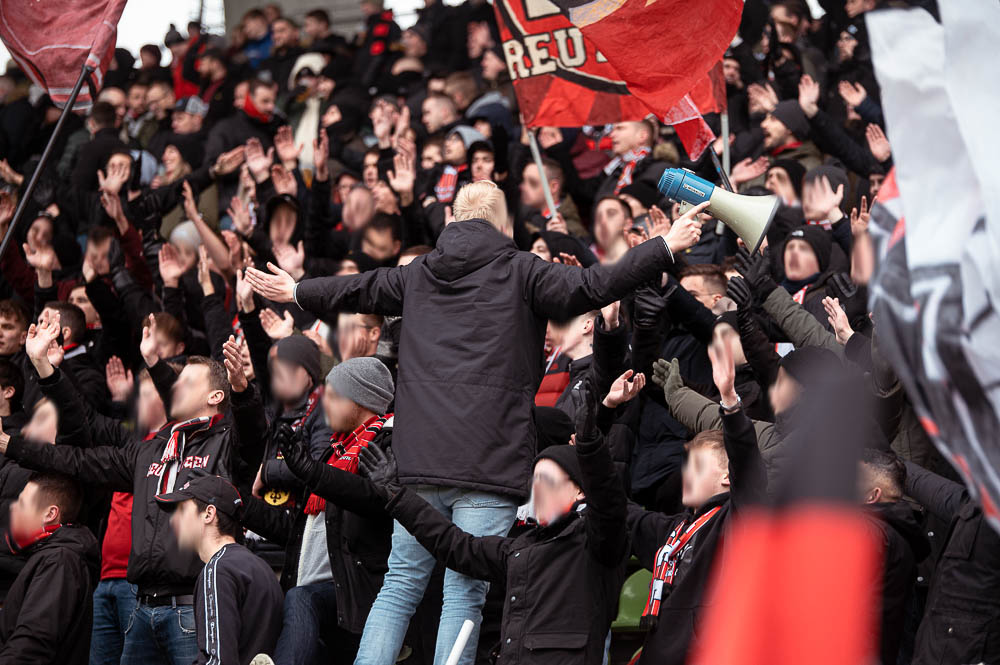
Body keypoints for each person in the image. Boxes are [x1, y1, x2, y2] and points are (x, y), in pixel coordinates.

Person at [246, 181, 707, 664]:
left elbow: (356, 286)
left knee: (400, 583)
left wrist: (297, 290)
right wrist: (665, 246)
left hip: (418, 463)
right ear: (502, 223)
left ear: (452, 221)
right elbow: (592, 286)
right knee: (463, 590)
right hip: (490, 463)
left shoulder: (418, 272)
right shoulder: (521, 269)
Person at [0, 316, 259, 665]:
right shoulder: (149, 450)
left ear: (215, 395)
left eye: (186, 381)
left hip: (193, 607)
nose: (173, 387)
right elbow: (77, 457)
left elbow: (254, 433)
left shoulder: (227, 444)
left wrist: (242, 393)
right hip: (141, 607)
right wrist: (15, 435)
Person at [358, 370, 641, 664]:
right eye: (535, 484)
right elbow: (455, 545)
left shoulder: (598, 543)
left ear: (581, 492)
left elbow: (607, 497)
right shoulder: (519, 548)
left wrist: (598, 423)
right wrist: (396, 494)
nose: (538, 493)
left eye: (550, 482)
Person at [240, 357, 396, 665]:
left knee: (301, 598)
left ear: (361, 401)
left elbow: (371, 498)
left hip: (355, 595)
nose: (327, 406)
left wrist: (312, 473)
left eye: (335, 397)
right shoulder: (334, 451)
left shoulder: (384, 444)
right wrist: (240, 505)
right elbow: (297, 532)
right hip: (314, 598)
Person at [631, 339, 767, 665]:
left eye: (698, 466)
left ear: (728, 478)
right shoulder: (675, 527)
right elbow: (615, 510)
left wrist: (731, 406)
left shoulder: (739, 521)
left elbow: (748, 466)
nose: (686, 474)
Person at [156, 475, 283, 665]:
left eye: (182, 510)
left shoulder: (218, 570)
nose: (173, 520)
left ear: (209, 514)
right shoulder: (258, 566)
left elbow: (217, 661)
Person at [0, 472, 99, 664]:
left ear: (50, 514)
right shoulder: (51, 555)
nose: (14, 509)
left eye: (22, 503)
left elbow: (33, 642)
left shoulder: (59, 560)